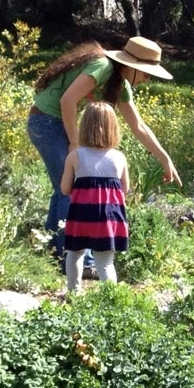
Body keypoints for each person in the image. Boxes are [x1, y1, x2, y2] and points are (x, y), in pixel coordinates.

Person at [27, 36, 182, 262]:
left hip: (53, 124)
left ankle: (53, 253)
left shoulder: (121, 84)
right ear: (132, 65)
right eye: (147, 74)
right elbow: (67, 101)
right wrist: (75, 143)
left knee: (64, 189)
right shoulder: (103, 66)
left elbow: (138, 126)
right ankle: (78, 259)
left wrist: (165, 159)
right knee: (73, 189)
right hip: (46, 122)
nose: (147, 80)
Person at [60, 102, 129, 292]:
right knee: (106, 262)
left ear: (84, 126)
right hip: (108, 217)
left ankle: (74, 293)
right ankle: (110, 300)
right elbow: (125, 188)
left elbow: (65, 189)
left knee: (74, 254)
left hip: (81, 215)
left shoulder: (75, 156)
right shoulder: (119, 158)